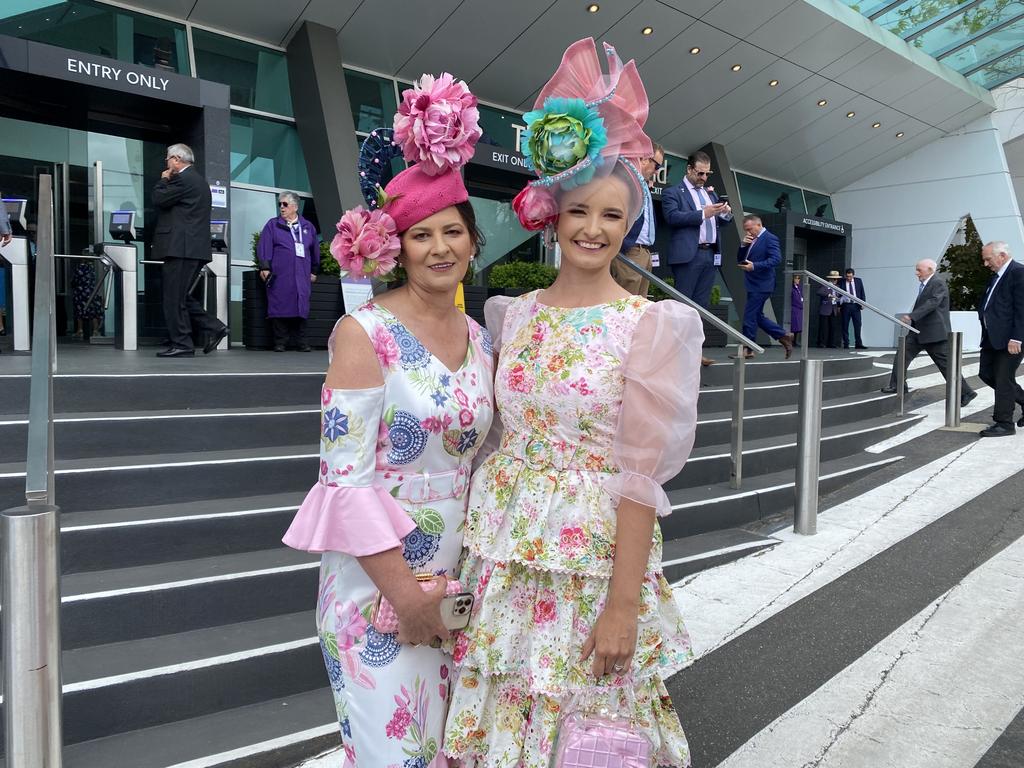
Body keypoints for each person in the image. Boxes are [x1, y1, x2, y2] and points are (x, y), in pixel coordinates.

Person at [444, 38, 702, 768]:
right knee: (504, 713)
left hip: (591, 566)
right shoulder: (511, 314)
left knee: (590, 731)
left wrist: (623, 606)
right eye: (580, 210)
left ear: (630, 226)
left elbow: (641, 474)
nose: (593, 229)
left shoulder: (650, 325)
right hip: (503, 558)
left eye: (613, 217)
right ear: (552, 214)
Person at [282, 72, 494, 767]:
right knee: (396, 753)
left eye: (452, 231)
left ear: (472, 239)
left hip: (463, 579)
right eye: (421, 234)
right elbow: (345, 483)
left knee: (456, 752)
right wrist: (408, 600)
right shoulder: (361, 334)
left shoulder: (481, 337)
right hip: (378, 587)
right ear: (394, 247)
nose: (439, 248)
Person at [152, 143, 228, 358]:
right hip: (190, 248)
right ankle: (214, 327)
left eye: (168, 159)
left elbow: (159, 199)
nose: (166, 163)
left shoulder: (182, 179)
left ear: (176, 159)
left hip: (182, 248)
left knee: (173, 298)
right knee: (179, 296)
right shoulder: (197, 180)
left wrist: (163, 178)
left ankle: (183, 344)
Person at [662, 150, 732, 367]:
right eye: (700, 173)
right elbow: (672, 217)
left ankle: (694, 354)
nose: (703, 178)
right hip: (688, 257)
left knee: (701, 308)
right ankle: (674, 356)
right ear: (689, 169)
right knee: (683, 307)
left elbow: (719, 222)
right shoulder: (673, 192)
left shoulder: (709, 194)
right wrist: (703, 213)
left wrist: (724, 214)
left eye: (707, 174)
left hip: (709, 255)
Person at [880, 259, 976, 407]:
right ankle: (897, 385)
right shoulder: (926, 284)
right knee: (902, 354)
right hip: (918, 331)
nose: (916, 273)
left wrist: (912, 315)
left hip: (934, 333)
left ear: (930, 269)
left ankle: (966, 392)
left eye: (919, 270)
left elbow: (932, 303)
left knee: (945, 365)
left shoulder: (937, 283)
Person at [258, 192, 318, 352]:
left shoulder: (308, 227)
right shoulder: (273, 225)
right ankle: (280, 342)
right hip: (280, 274)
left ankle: (302, 342)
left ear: (295, 207)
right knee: (279, 304)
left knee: (302, 305)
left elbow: (314, 251)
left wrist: (314, 270)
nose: (281, 208)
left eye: (285, 204)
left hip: (302, 274)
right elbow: (265, 246)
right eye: (280, 204)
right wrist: (264, 266)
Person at [976, 241, 1024, 437]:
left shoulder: (1018, 273)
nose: (986, 264)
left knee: (1003, 379)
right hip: (992, 338)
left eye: (988, 259)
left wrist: (1017, 337)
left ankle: (1004, 423)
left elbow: (1022, 308)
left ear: (1002, 255)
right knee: (987, 374)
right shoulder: (996, 276)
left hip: (1011, 339)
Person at [737, 214, 793, 359]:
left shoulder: (770, 238)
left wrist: (754, 266)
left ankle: (748, 349)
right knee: (757, 316)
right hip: (752, 283)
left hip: (762, 284)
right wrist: (743, 245)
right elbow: (741, 259)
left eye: (750, 229)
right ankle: (783, 336)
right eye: (746, 230)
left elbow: (776, 259)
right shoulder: (751, 239)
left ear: (759, 225)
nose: (748, 232)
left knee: (749, 316)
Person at [611, 142, 664, 297]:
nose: (657, 172)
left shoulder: (643, 184)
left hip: (644, 251)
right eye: (657, 166)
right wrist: (622, 246)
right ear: (644, 159)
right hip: (629, 250)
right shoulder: (625, 181)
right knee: (625, 304)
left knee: (639, 306)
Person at [839, 267, 867, 349]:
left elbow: (862, 292)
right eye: (847, 276)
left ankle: (858, 343)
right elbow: (838, 294)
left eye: (850, 276)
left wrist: (863, 303)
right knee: (845, 325)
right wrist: (838, 305)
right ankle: (846, 344)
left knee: (858, 325)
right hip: (846, 305)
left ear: (853, 275)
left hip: (856, 306)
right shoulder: (842, 282)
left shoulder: (858, 281)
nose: (849, 278)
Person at [817, 270, 842, 348]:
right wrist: (829, 295)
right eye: (834, 279)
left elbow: (839, 295)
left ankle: (832, 343)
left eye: (836, 279)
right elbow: (819, 292)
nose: (835, 280)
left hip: (833, 308)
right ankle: (822, 343)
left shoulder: (837, 287)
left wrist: (838, 304)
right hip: (826, 308)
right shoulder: (825, 285)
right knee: (824, 327)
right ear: (831, 279)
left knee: (833, 327)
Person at [791, 273, 804, 345]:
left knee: (798, 326)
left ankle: (795, 341)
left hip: (799, 309)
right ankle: (792, 341)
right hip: (795, 308)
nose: (798, 280)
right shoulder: (792, 288)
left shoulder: (799, 287)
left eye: (799, 278)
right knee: (794, 326)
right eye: (796, 278)